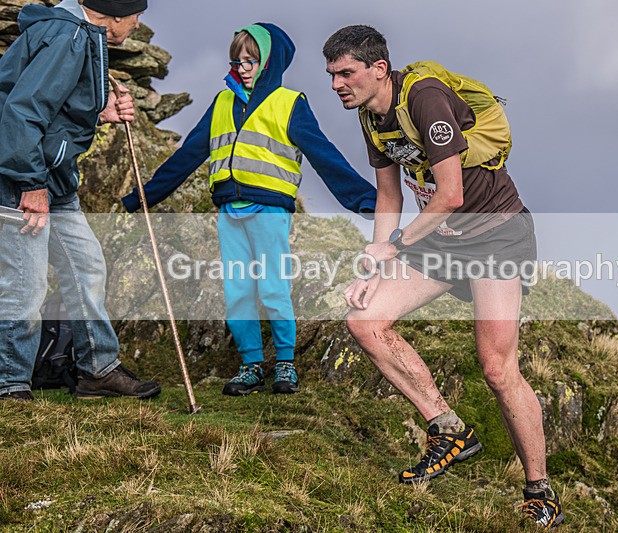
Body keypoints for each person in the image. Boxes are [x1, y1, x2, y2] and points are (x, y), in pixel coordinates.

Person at [323, 25, 564, 528]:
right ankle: (448, 429)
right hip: (440, 241)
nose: (336, 84)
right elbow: (389, 196)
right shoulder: (372, 117)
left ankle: (540, 490)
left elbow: (451, 193)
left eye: (345, 73)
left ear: (378, 69)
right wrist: (377, 261)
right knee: (365, 319)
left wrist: (397, 245)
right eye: (331, 75)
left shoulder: (426, 98)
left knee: (497, 369)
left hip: (495, 237)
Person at [122, 23, 377, 396]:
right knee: (237, 291)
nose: (242, 67)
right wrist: (143, 198)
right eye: (237, 60)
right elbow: (188, 155)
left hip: (270, 211)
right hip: (229, 211)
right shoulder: (222, 103)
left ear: (270, 62)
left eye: (251, 60)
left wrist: (368, 202)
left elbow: (326, 158)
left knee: (273, 288)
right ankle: (251, 365)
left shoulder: (290, 104)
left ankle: (286, 364)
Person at [0, 0, 161, 402]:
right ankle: (10, 383)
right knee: (24, 285)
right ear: (117, 14)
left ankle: (96, 371)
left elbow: (55, 109)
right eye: (137, 15)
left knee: (86, 266)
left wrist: (99, 112)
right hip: (25, 182)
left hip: (54, 183)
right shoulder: (66, 35)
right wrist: (30, 184)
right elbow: (21, 114)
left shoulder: (78, 33)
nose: (139, 24)